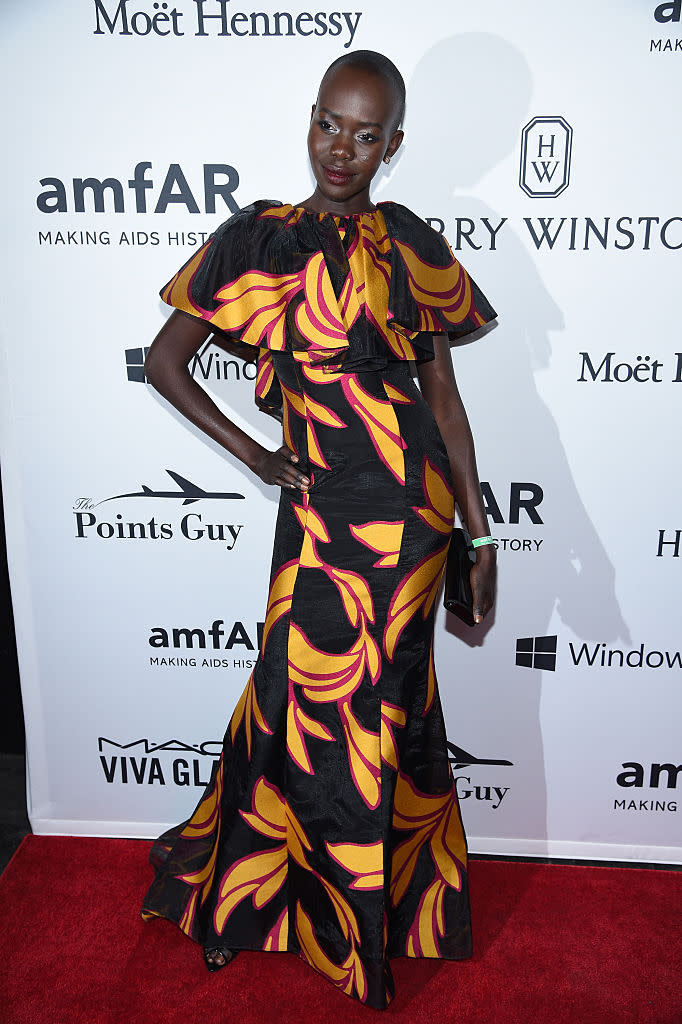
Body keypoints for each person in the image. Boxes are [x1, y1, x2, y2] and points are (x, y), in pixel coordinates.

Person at [140, 50, 497, 1011]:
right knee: (290, 707)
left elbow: (446, 402)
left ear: (396, 145)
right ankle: (246, 902)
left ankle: (381, 913)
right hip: (320, 517)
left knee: (389, 709)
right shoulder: (258, 237)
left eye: (367, 133)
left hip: (414, 519)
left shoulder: (412, 244)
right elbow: (168, 362)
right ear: (309, 120)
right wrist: (256, 457)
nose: (343, 149)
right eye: (329, 124)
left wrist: (480, 534)